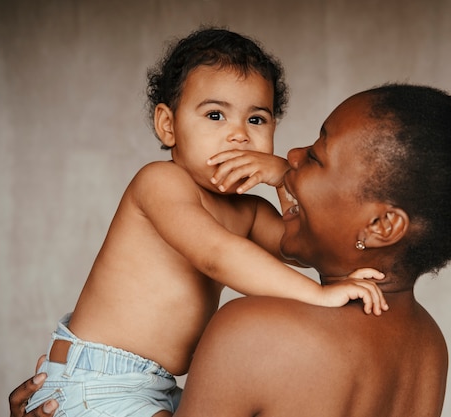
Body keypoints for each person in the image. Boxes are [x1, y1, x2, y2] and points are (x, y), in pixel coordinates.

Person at [11, 49, 451, 417]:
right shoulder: (426, 349)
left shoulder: (255, 328)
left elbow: (227, 253)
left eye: (313, 156)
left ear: (381, 225)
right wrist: (285, 178)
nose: (284, 156)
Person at [19, 26, 388, 417]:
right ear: (168, 125)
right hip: (97, 379)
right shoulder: (160, 183)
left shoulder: (248, 211)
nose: (239, 136)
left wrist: (285, 178)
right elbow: (216, 254)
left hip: (155, 385)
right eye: (215, 115)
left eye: (257, 120)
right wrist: (317, 296)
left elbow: (302, 248)